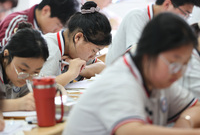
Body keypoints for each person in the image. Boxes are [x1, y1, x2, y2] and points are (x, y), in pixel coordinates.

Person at [62, 12, 200, 135]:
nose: (179, 73)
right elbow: (131, 131)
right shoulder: (122, 80)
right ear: (148, 54)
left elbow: (196, 107)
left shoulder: (160, 79)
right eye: (174, 63)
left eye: (184, 65)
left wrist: (185, 121)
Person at [106, 0, 200, 65]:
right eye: (185, 13)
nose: (185, 19)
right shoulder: (137, 16)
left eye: (188, 16)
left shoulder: (165, 24)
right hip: (120, 76)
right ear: (167, 4)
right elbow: (137, 54)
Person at [40, 1, 112, 86]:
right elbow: (41, 87)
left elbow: (103, 67)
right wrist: (71, 73)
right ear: (78, 37)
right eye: (93, 50)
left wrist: (80, 69)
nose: (93, 56)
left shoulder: (74, 50)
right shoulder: (50, 49)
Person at [0, 0, 79, 46]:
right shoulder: (16, 22)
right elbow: (5, 58)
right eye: (58, 25)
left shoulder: (45, 31)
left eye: (61, 28)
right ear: (46, 10)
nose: (57, 31)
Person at [0, 22, 49, 111]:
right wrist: (18, 104)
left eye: (35, 72)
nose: (28, 78)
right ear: (6, 55)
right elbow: (22, 103)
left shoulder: (26, 77)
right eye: (23, 69)